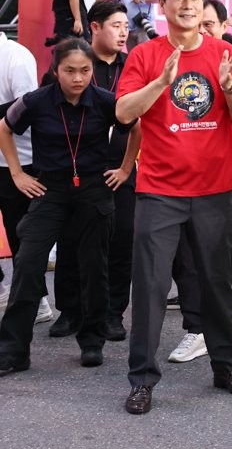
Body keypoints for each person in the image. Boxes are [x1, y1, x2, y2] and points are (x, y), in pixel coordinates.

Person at [116, 0, 232, 414]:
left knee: (216, 283)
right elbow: (122, 113)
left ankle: (226, 366)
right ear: (163, 6)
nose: (187, 4)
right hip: (158, 190)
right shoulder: (144, 55)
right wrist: (160, 82)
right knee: (152, 286)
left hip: (214, 190)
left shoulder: (223, 52)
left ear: (203, 5)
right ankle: (142, 380)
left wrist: (230, 86)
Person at [0, 39, 138, 374]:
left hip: (94, 190)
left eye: (85, 70)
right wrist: (17, 173)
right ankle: (13, 351)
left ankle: (91, 341)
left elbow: (136, 127)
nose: (78, 78)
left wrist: (125, 168)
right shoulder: (35, 101)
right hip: (50, 190)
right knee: (28, 263)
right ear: (56, 70)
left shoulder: (106, 101)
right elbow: (4, 127)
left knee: (94, 267)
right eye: (70, 71)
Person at [49, 1, 137, 341]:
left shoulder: (134, 67)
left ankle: (113, 313)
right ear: (95, 27)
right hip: (79, 172)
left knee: (121, 242)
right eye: (115, 25)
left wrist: (129, 167)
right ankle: (69, 311)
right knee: (71, 242)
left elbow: (143, 119)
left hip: (121, 172)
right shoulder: (76, 64)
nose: (123, 31)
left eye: (126, 25)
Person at [0, 32, 38, 315]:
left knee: (20, 232)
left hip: (20, 161)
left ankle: (37, 301)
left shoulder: (16, 56)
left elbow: (25, 110)